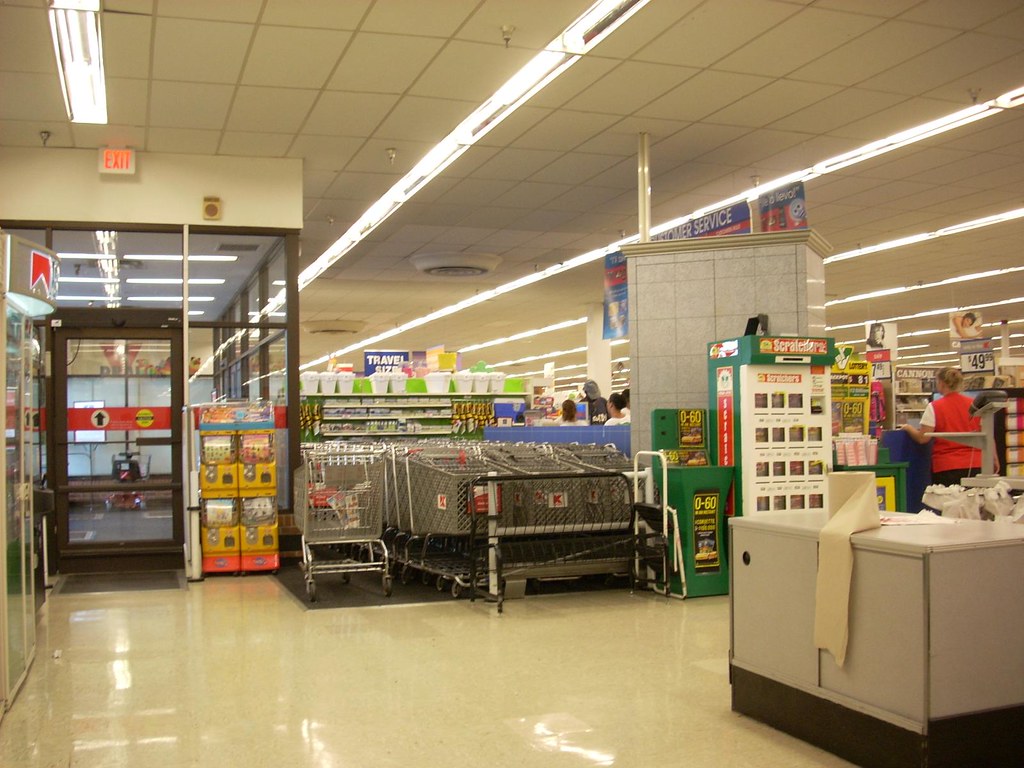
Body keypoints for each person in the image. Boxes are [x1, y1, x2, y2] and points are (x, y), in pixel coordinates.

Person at [902, 367, 996, 486]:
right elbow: (988, 435)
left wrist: (908, 428)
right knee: (975, 502)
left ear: (941, 383)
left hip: (947, 466)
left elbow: (923, 438)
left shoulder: (934, 407)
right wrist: (994, 458)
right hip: (977, 464)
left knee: (948, 503)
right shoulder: (976, 405)